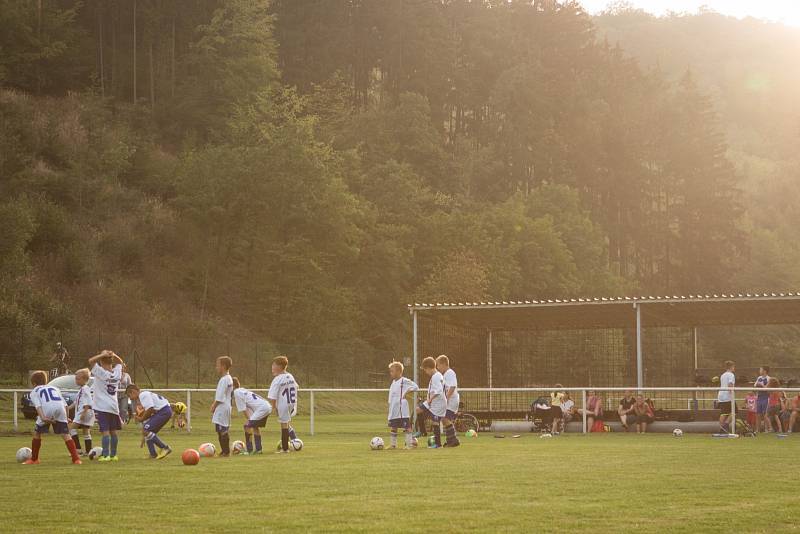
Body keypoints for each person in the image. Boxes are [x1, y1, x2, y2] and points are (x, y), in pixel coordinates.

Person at [24, 370, 82, 465]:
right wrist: (66, 418)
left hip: (47, 409)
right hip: (60, 409)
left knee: (37, 433)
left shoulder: (34, 391)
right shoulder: (54, 388)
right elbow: (65, 405)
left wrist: (43, 417)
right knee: (66, 434)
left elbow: (38, 406)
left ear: (34, 383)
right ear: (45, 381)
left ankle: (34, 459)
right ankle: (76, 459)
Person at [88, 350, 125, 462]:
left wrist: (103, 355)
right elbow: (121, 362)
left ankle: (106, 455)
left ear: (101, 361)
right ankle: (114, 456)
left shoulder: (100, 372)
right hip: (113, 407)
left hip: (102, 407)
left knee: (105, 432)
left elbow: (90, 361)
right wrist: (114, 355)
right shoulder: (117, 372)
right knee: (113, 431)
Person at [127, 385, 173, 460]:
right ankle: (153, 454)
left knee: (146, 430)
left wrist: (141, 419)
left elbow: (150, 409)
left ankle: (165, 448)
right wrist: (144, 435)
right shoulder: (145, 395)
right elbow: (149, 414)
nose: (130, 398)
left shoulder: (142, 395)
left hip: (163, 411)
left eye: (129, 395)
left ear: (133, 392)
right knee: (147, 430)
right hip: (164, 411)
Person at [267, 355, 300, 454]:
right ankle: (294, 440)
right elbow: (297, 386)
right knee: (286, 423)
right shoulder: (290, 376)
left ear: (279, 366)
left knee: (284, 425)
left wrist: (274, 408)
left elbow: (272, 397)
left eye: (274, 365)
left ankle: (285, 449)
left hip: (283, 404)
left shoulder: (277, 379)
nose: (272, 367)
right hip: (292, 403)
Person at [233, 377, 272, 455]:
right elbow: (248, 407)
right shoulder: (242, 390)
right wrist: (250, 420)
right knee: (255, 427)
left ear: (232, 386)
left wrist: (249, 421)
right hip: (267, 406)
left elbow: (244, 409)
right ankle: (259, 449)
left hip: (262, 408)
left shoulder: (236, 392)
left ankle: (249, 450)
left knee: (247, 426)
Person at [387, 361, 419, 449]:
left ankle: (409, 445)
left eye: (392, 371)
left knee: (407, 426)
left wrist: (408, 391)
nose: (391, 373)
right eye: (390, 371)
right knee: (393, 427)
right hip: (393, 409)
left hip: (402, 409)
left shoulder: (404, 381)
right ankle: (393, 445)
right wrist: (390, 406)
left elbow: (416, 386)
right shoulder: (393, 382)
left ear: (398, 372)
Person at [416, 356, 446, 448]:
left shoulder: (436, 377)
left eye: (425, 370)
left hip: (437, 404)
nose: (425, 372)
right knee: (418, 410)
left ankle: (438, 444)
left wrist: (430, 399)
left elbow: (438, 390)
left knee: (435, 423)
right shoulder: (437, 376)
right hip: (433, 403)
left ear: (428, 368)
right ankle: (423, 432)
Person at [210, 356, 234, 457]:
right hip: (226, 406)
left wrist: (213, 406)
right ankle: (224, 451)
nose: (216, 367)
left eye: (218, 365)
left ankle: (226, 451)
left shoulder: (224, 379)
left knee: (222, 430)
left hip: (222, 407)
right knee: (221, 429)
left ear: (223, 366)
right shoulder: (228, 378)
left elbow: (220, 396)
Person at [67, 368, 94, 456]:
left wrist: (83, 412)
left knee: (71, 428)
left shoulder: (85, 389)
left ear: (84, 379)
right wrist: (68, 407)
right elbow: (77, 402)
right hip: (87, 412)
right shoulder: (82, 389)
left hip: (84, 411)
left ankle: (78, 450)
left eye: (78, 379)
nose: (76, 380)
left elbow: (88, 401)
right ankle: (88, 451)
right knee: (86, 431)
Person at [436, 355, 461, 447]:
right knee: (444, 419)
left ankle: (453, 440)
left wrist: (446, 398)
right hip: (450, 401)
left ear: (443, 364)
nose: (437, 368)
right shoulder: (445, 374)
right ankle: (451, 440)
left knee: (445, 418)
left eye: (438, 365)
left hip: (452, 401)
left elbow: (452, 386)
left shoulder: (450, 373)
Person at [717, 360, 736, 433]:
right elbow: (730, 384)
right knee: (734, 412)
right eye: (733, 366)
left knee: (723, 413)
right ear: (731, 367)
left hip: (721, 395)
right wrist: (732, 394)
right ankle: (726, 425)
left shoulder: (723, 375)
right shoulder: (731, 375)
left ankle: (721, 429)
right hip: (727, 396)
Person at [754, 366, 771, 432]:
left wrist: (761, 385)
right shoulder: (759, 378)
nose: (759, 371)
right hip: (759, 397)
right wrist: (758, 384)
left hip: (766, 397)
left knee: (765, 414)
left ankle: (766, 429)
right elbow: (755, 386)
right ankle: (757, 429)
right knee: (758, 414)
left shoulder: (769, 378)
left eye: (761, 370)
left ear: (765, 371)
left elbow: (767, 388)